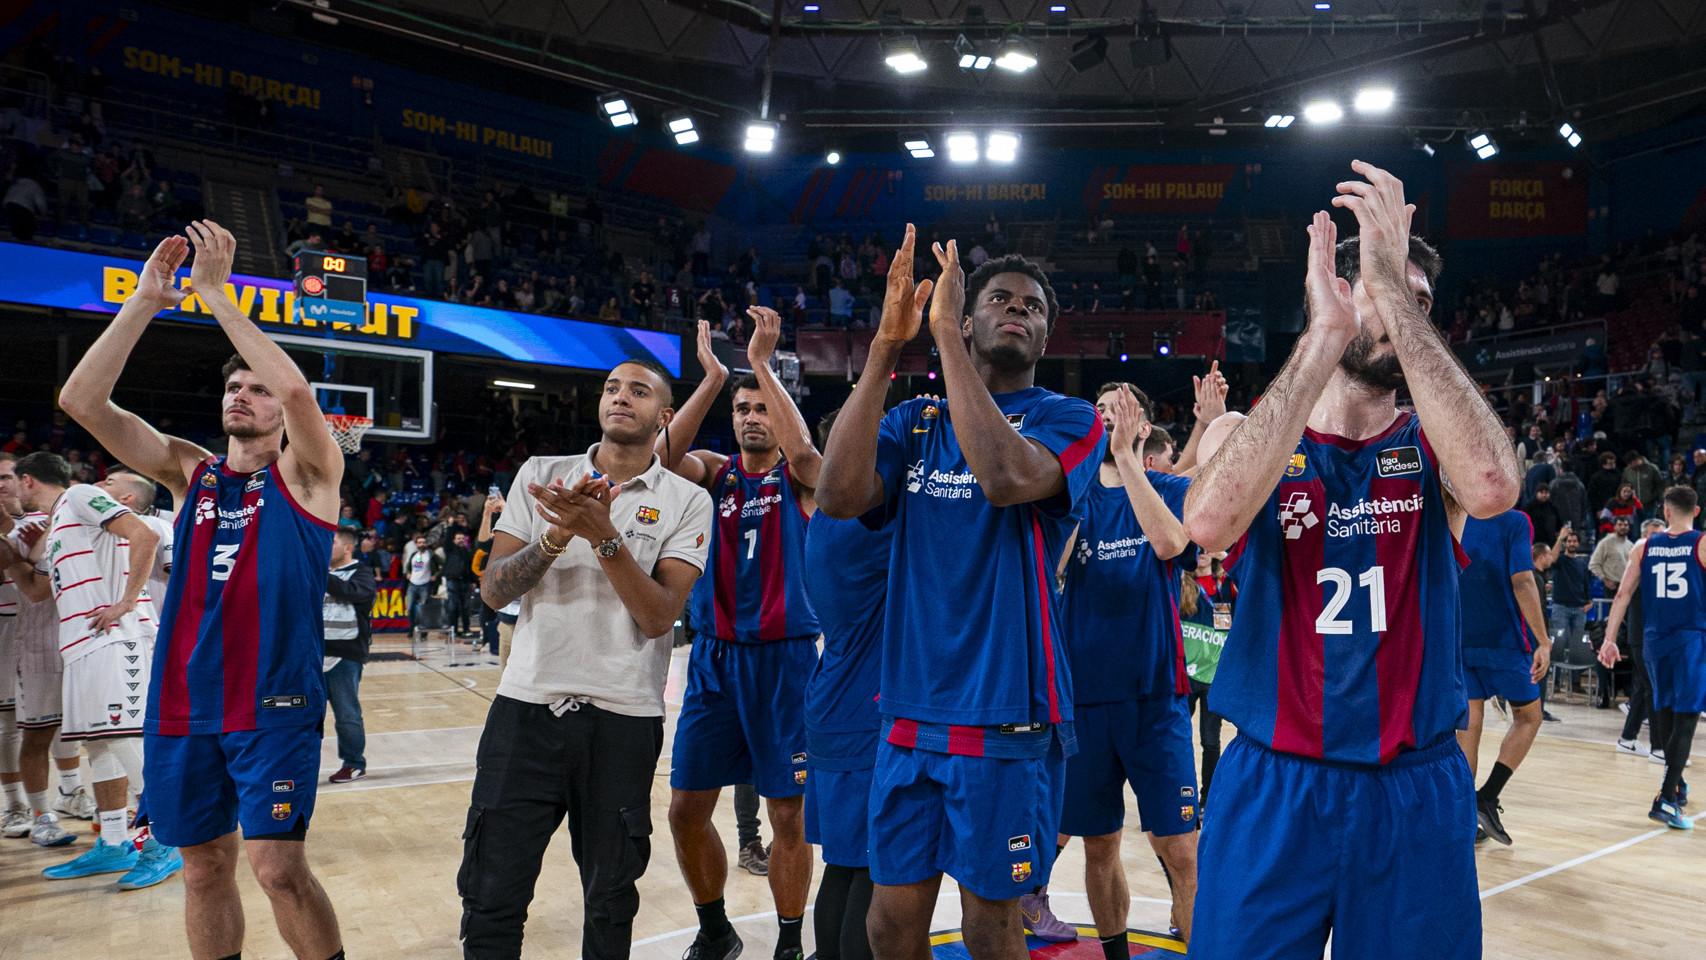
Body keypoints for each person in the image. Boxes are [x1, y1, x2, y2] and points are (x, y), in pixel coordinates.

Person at [1180, 165, 1520, 958]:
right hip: (1274, 779)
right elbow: (1209, 520)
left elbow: (1495, 486)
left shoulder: (1433, 441)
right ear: (1332, 294)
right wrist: (1324, 335)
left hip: (1414, 784)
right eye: (1378, 287)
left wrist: (1395, 299)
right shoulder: (1251, 435)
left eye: (1421, 301)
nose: (1406, 313)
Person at [57, 224, 346, 956]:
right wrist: (144, 304)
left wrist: (218, 296)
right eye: (232, 387)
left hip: (273, 701)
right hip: (184, 702)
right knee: (202, 869)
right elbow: (82, 402)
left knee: (278, 868)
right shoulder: (191, 472)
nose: (242, 395)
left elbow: (296, 388)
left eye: (254, 388)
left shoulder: (308, 476)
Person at [817, 230, 1105, 957]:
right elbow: (838, 494)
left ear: (1046, 332)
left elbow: (1005, 478)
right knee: (889, 924)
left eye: (1033, 306)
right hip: (909, 713)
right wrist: (887, 347)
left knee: (990, 926)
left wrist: (943, 337)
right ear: (971, 318)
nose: (1018, 310)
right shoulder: (913, 423)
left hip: (1006, 715)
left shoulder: (1069, 420)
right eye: (999, 300)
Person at [459, 357, 710, 959]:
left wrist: (603, 535)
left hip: (622, 719)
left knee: (609, 901)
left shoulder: (686, 500)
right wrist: (553, 536)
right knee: (491, 895)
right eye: (611, 387)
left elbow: (657, 619)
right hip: (525, 711)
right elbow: (494, 591)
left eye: (639, 391)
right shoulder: (541, 475)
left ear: (664, 416)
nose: (620, 397)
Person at [657, 310, 821, 960]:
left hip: (786, 665)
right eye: (743, 408)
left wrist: (765, 363)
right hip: (715, 662)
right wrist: (715, 376)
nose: (751, 417)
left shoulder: (801, 479)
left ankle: (786, 941)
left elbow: (806, 453)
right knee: (684, 810)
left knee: (787, 816)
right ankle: (715, 928)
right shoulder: (716, 473)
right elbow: (659, 457)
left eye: (762, 408)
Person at [1051, 383, 1198, 948]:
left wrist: (1127, 459)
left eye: (1120, 412)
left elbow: (1170, 545)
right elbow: (1053, 567)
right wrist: (1083, 475)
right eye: (1099, 412)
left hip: (1154, 696)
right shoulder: (1074, 495)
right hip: (1085, 700)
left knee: (1180, 847)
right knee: (1099, 844)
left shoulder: (1166, 486)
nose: (1107, 419)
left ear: (1141, 426)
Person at [11, 452, 180, 889]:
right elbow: (36, 592)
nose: (102, 486)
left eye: (111, 484)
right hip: (81, 644)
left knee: (125, 738)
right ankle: (113, 842)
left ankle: (166, 841)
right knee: (100, 745)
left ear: (28, 481)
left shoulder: (80, 495)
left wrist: (125, 600)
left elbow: (141, 533)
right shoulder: (60, 527)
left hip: (117, 638)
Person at [800, 407, 888, 960]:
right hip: (864, 710)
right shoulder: (868, 523)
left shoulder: (826, 519)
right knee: (875, 872)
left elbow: (804, 457)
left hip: (833, 698)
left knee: (844, 865)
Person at [1599, 486, 1705, 829]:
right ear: (1697, 511)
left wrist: (1610, 640)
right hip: (1690, 637)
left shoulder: (1645, 547)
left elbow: (1622, 595)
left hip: (1654, 641)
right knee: (1686, 717)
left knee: (1666, 714)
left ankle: (1676, 782)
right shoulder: (1701, 543)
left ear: (1666, 511)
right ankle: (1666, 799)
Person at [0, 454, 88, 848]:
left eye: (7, 477)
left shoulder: (46, 519)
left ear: (24, 481)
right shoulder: (32, 528)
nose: (3, 485)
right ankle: (19, 806)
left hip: (61, 629)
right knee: (14, 724)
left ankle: (70, 791)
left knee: (68, 721)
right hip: (15, 629)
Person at [1456, 510, 1550, 846]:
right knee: (1529, 717)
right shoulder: (1514, 521)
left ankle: (1464, 820)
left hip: (1460, 638)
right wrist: (1543, 640)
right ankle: (1487, 798)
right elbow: (1523, 580)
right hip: (1505, 642)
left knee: (1468, 728)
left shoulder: (1452, 513)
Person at [323, 528, 375, 785]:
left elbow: (354, 593)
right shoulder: (319, 572)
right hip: (311, 655)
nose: (325, 546)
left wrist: (318, 572)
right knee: (307, 716)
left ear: (347, 548)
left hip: (345, 656)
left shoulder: (362, 572)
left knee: (347, 714)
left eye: (331, 542)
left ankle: (354, 763)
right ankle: (303, 762)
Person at [1616, 519, 1669, 756]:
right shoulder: (1639, 562)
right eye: (1654, 535)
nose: (1659, 539)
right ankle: (1659, 747)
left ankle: (1627, 738)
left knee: (1642, 688)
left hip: (1651, 636)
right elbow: (1623, 595)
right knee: (1653, 689)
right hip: (1641, 636)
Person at [1589, 515, 1636, 597]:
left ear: (1629, 527)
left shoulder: (1631, 545)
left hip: (1626, 587)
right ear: (1614, 527)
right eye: (1620, 525)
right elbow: (1593, 564)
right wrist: (1605, 580)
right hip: (1611, 587)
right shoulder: (1606, 542)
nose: (1623, 527)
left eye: (1625, 525)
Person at [442, 530, 476, 639]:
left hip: (465, 582)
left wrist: (473, 581)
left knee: (466, 608)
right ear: (454, 540)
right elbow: (447, 540)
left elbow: (470, 568)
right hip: (453, 581)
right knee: (453, 607)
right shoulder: (450, 550)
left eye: (462, 538)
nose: (461, 540)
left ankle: (466, 629)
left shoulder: (467, 551)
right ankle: (454, 630)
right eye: (458, 538)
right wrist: (450, 526)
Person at [404, 533, 439, 638]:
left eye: (423, 542)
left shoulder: (431, 554)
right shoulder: (414, 554)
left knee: (423, 609)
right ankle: (411, 629)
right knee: (410, 608)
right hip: (412, 584)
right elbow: (408, 566)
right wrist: (408, 573)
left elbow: (441, 565)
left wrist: (436, 575)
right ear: (416, 544)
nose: (422, 544)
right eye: (419, 542)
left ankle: (423, 631)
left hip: (425, 584)